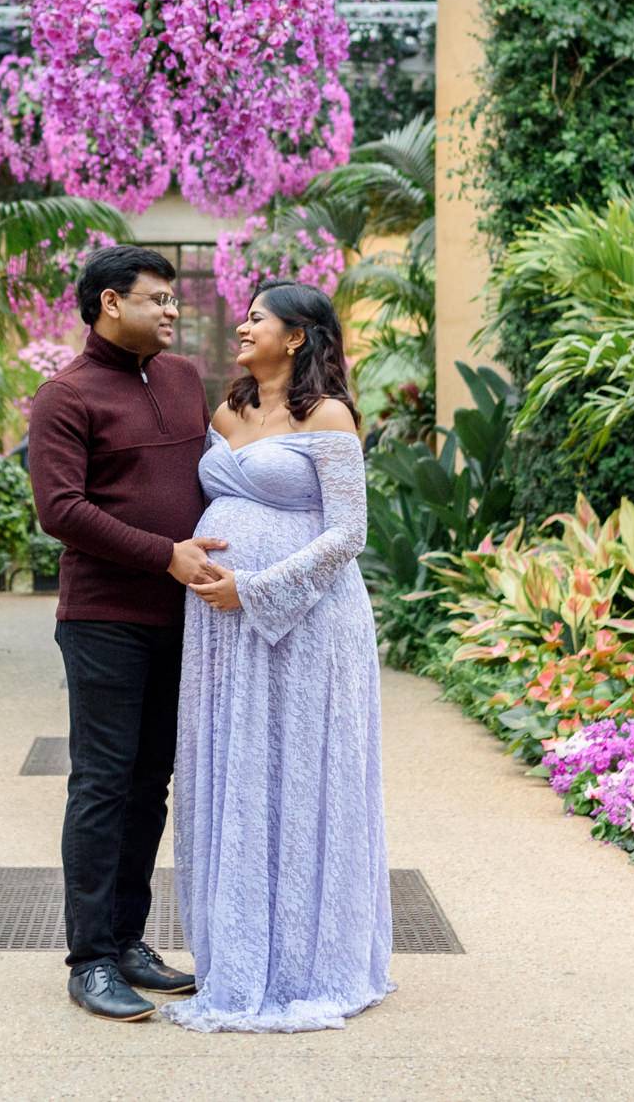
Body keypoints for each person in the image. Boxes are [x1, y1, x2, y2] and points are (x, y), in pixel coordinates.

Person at [167, 280, 392, 1032]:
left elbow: (348, 532)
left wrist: (257, 587)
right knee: (234, 766)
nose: (241, 323)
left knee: (297, 770)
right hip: (221, 630)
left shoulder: (327, 415)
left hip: (305, 620)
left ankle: (302, 960)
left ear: (297, 337)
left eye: (257, 316)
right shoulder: (225, 410)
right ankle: (232, 949)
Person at [26, 244, 227, 1023]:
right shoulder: (65, 395)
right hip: (104, 616)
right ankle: (91, 959)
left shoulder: (182, 380)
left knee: (152, 783)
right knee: (103, 783)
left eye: (174, 298)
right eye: (157, 298)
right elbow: (61, 511)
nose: (173, 309)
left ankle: (131, 938)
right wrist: (163, 554)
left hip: (185, 618)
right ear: (111, 302)